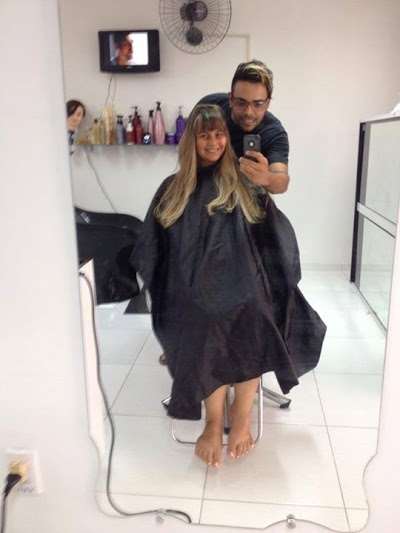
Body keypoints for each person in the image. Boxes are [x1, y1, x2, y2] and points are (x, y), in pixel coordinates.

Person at [131, 104, 326, 468]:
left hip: (246, 281)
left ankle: (241, 417)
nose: (213, 142)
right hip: (190, 288)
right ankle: (213, 421)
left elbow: (273, 239)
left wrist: (274, 277)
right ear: (191, 141)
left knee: (254, 314)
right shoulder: (172, 189)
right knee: (203, 317)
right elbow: (154, 249)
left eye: (219, 134)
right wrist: (174, 284)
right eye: (204, 135)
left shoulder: (244, 182)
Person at [199, 60, 289, 195]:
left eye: (258, 104)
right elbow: (187, 146)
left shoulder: (274, 133)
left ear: (267, 103)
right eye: (241, 103)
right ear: (231, 99)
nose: (248, 112)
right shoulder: (210, 105)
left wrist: (267, 178)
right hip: (201, 190)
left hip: (247, 199)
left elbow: (281, 181)